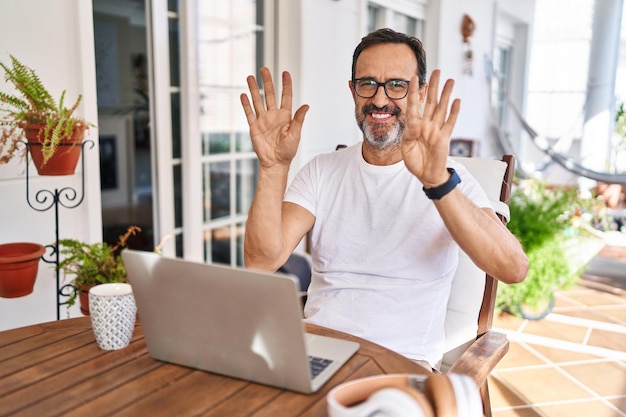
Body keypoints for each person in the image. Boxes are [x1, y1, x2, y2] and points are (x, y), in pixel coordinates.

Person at [240, 28, 528, 369]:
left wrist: (437, 183)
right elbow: (261, 261)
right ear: (353, 91)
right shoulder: (322, 171)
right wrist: (273, 168)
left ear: (419, 93)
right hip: (315, 351)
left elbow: (513, 268)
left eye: (397, 85)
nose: (379, 100)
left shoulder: (449, 180)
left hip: (401, 365)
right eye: (368, 84)